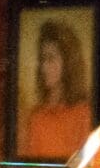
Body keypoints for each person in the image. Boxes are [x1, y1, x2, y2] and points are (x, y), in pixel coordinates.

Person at [20, 20, 94, 159]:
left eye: (50, 59)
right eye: (42, 59)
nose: (43, 67)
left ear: (68, 63)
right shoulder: (36, 116)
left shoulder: (83, 114)